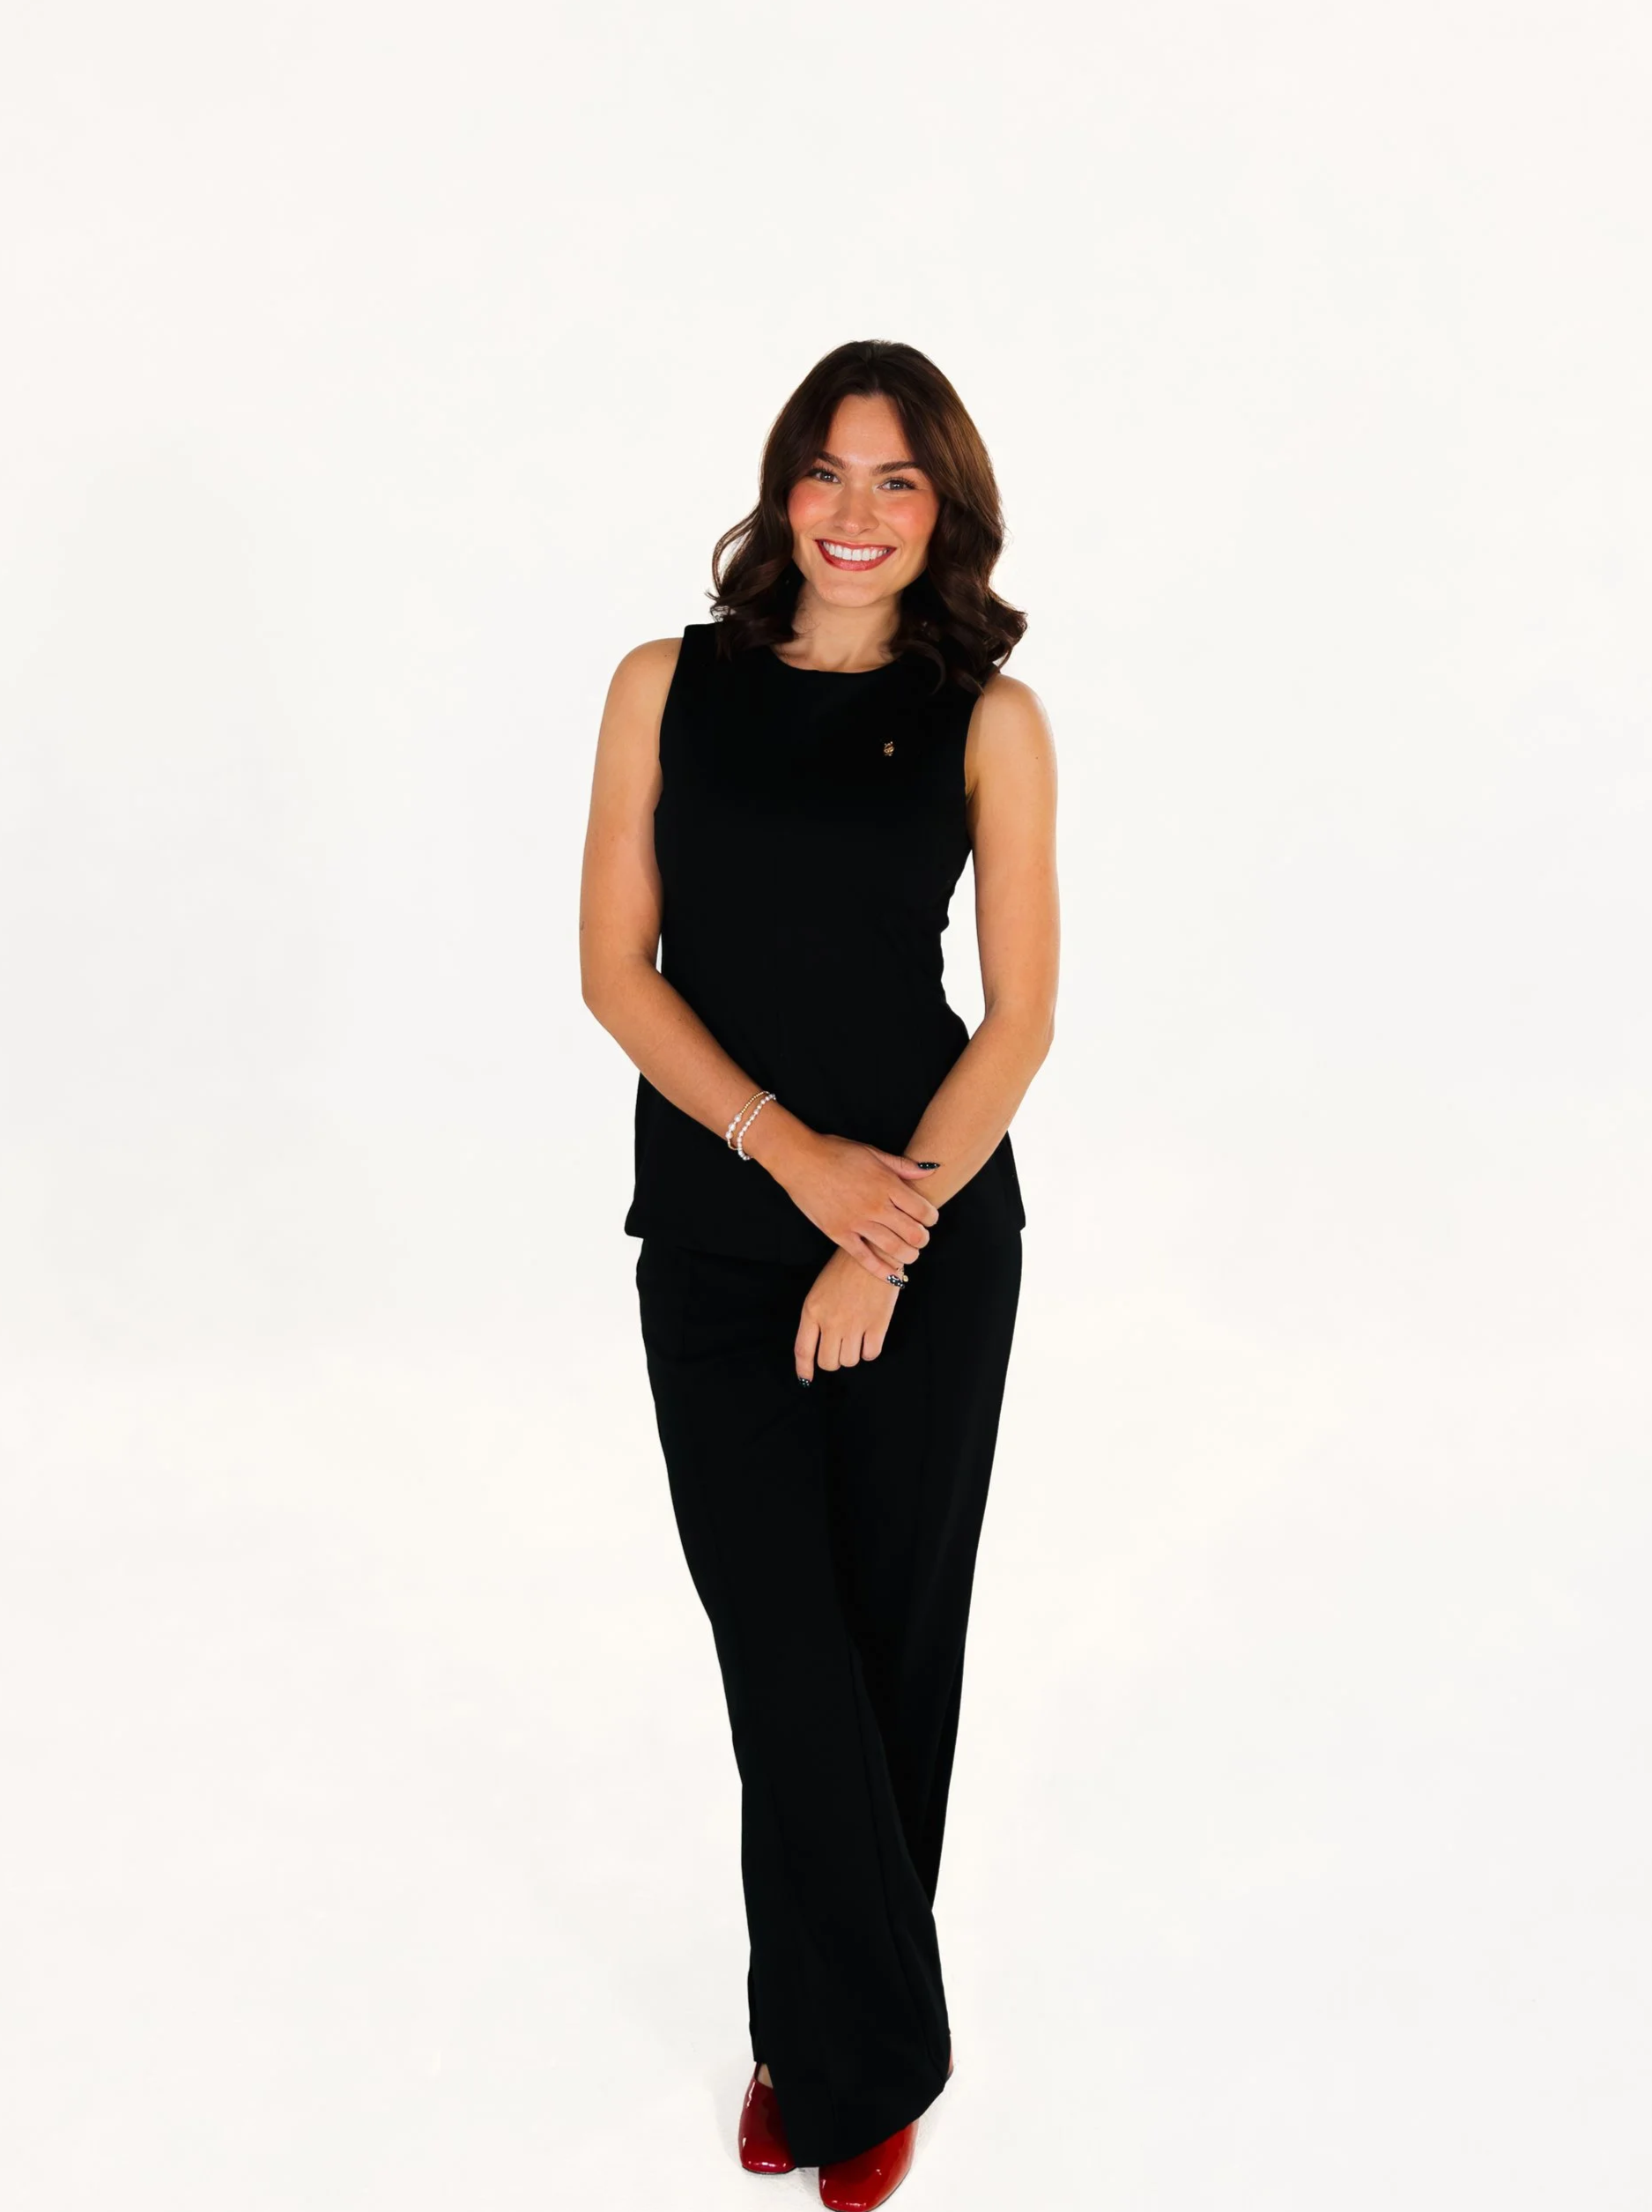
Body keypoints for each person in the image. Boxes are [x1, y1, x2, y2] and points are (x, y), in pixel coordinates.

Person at [579, 338, 1058, 2208]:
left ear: (942, 515)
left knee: (885, 1659)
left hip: (933, 1239)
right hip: (714, 1231)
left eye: (899, 484)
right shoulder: (658, 687)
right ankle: (861, 2048)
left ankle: (822, 2052)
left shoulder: (990, 717)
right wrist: (796, 1164)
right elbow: (620, 971)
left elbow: (1019, 1019)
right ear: (780, 488)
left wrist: (895, 1223)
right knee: (781, 1655)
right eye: (828, 474)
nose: (856, 516)